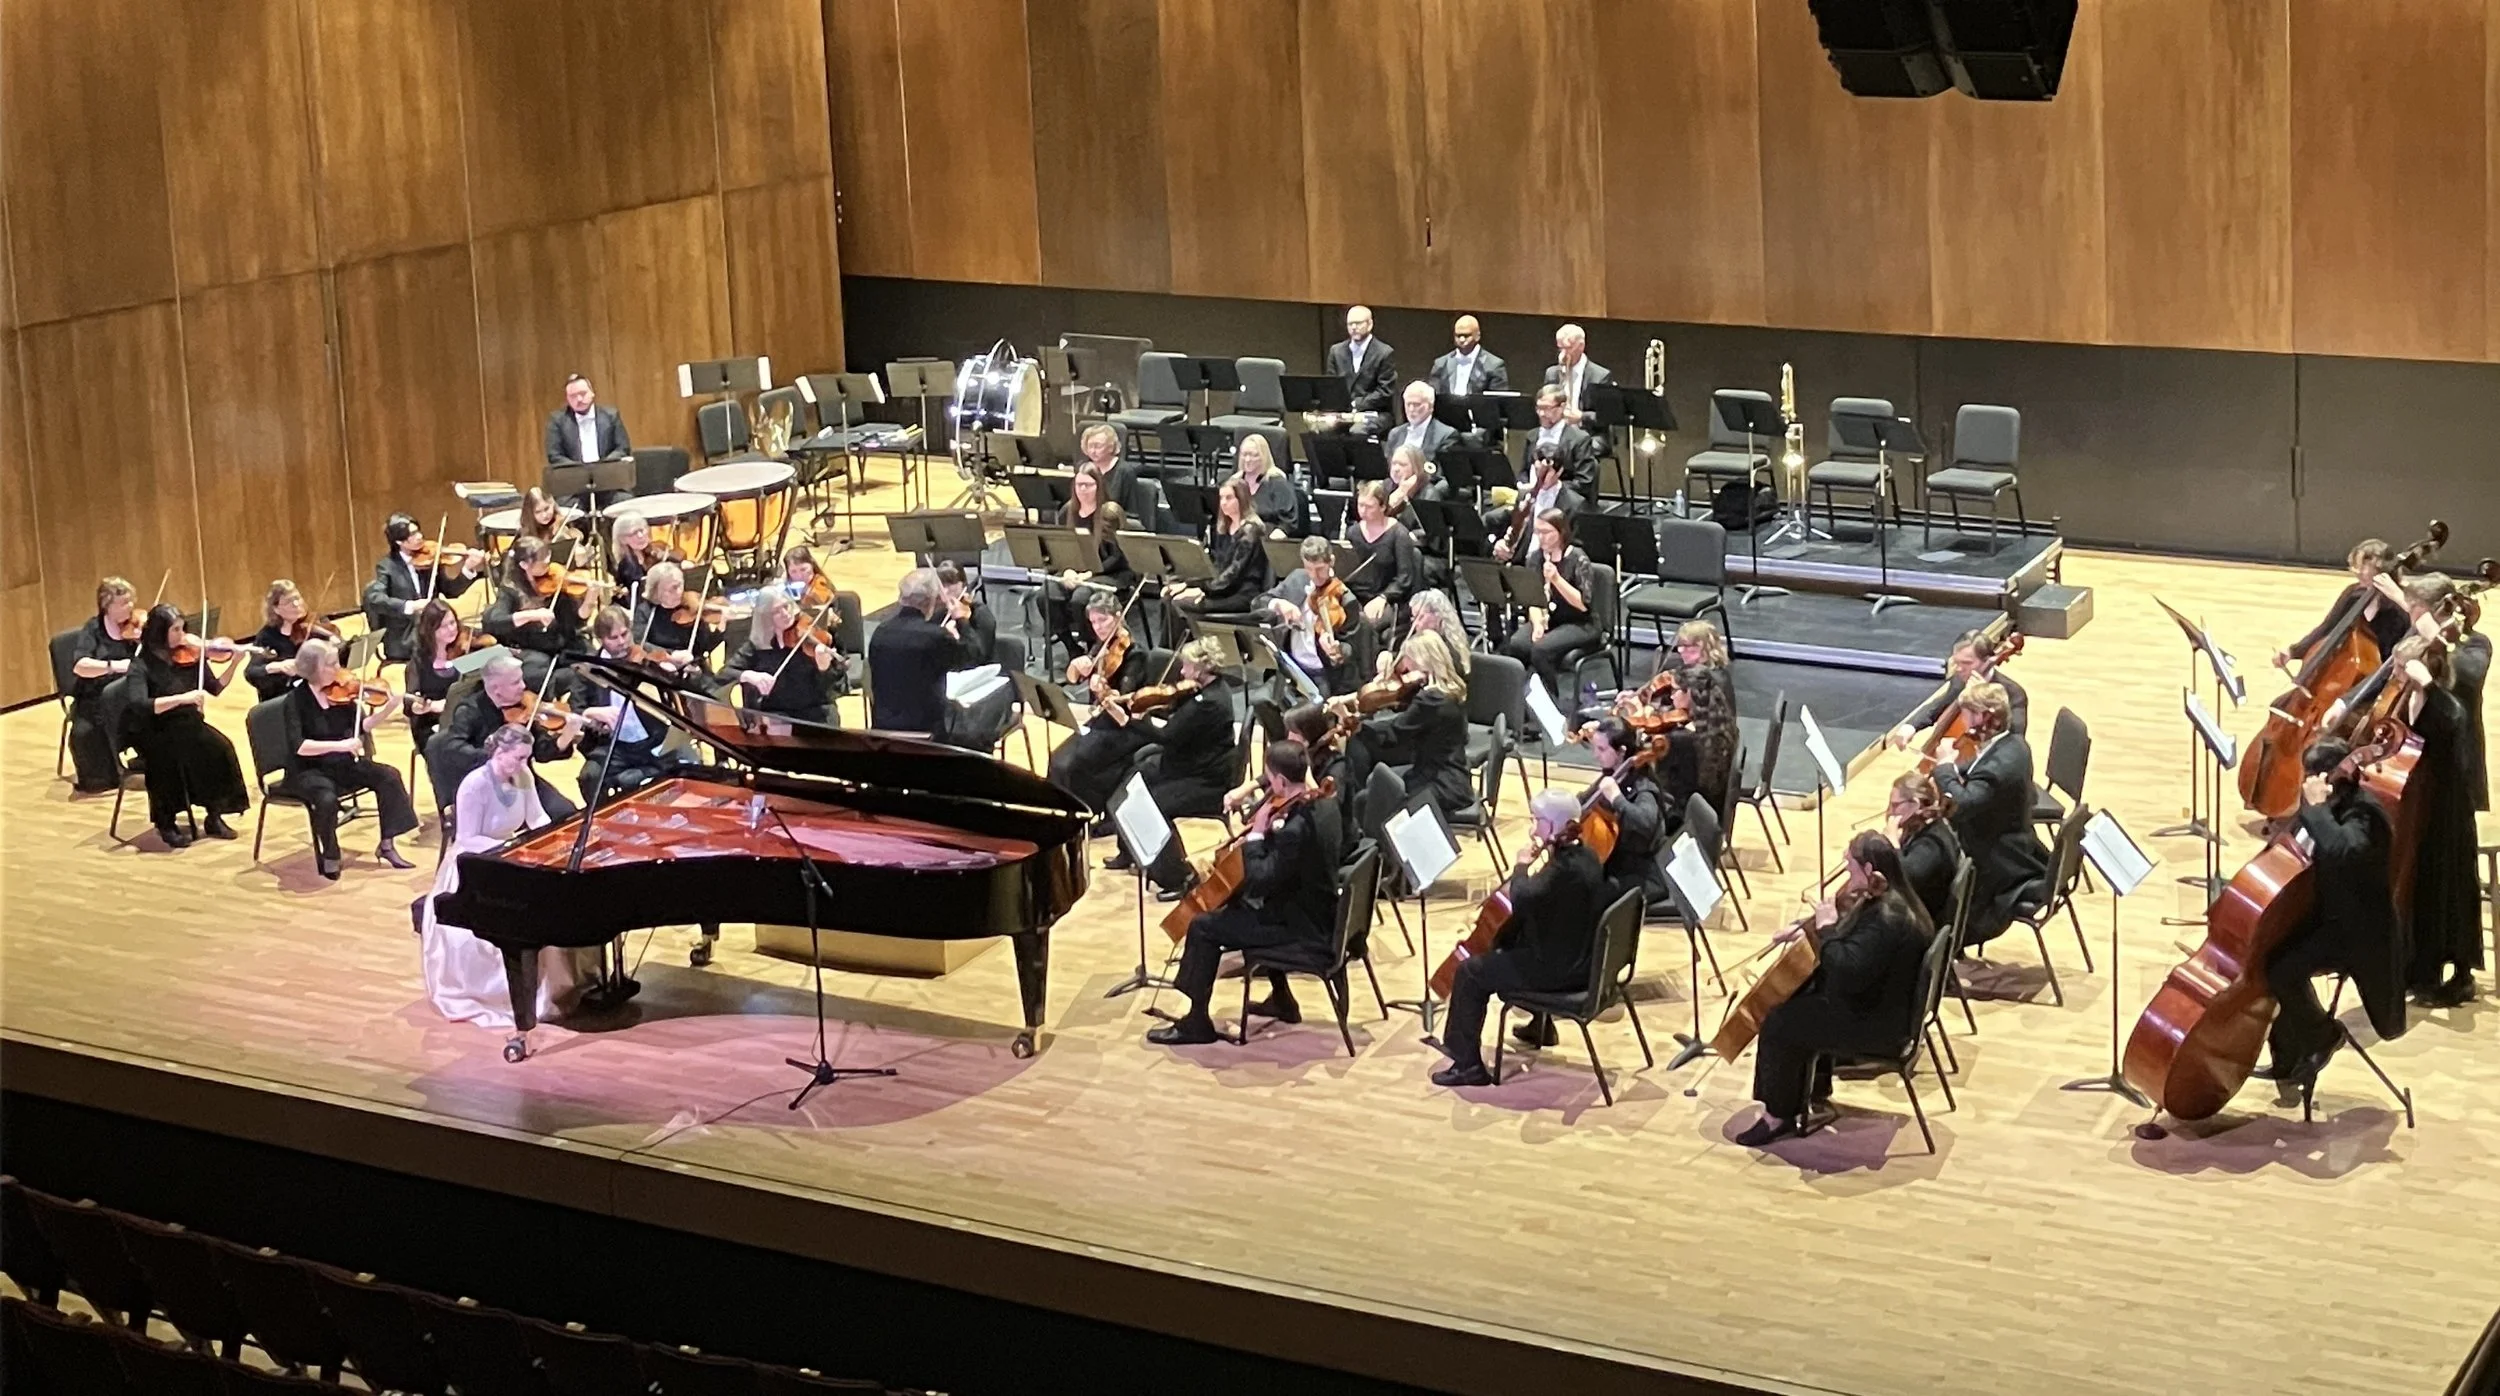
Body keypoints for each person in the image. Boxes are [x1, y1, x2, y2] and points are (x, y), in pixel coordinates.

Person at [1733, 830, 1935, 1146]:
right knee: (1808, 999)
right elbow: (1857, 942)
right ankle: (1813, 1089)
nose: (1847, 874)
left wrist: (1826, 927)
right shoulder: (1896, 898)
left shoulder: (1887, 918)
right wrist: (1809, 927)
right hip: (1889, 1007)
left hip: (1879, 1027)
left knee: (1780, 1022)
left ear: (1868, 869)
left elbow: (1845, 969)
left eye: (1851, 866)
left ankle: (1777, 1116)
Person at [1147, 741, 1346, 1045]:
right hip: (1319, 911)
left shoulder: (1294, 829)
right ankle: (1282, 1000)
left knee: (1203, 926)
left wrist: (1256, 836)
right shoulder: (1325, 806)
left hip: (1300, 929)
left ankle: (1195, 1023)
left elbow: (1260, 881)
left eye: (1271, 779)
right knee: (1239, 906)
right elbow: (1289, 867)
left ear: (1281, 781)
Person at [421, 724, 600, 1032]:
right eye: (518, 757)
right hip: (476, 863)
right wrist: (509, 848)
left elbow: (536, 817)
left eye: (526, 758)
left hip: (512, 855)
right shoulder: (474, 785)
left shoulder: (523, 775)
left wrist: (551, 840)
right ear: (499, 753)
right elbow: (468, 838)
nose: (523, 764)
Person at [1429, 789, 1611, 1088]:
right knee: (1516, 939)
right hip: (1582, 959)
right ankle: (1541, 1027)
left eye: (1537, 820)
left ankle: (1467, 1065)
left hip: (1559, 971)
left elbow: (1523, 897)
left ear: (1553, 825)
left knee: (1470, 972)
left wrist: (1521, 866)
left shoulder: (1564, 870)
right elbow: (1546, 902)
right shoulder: (1587, 855)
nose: (1533, 828)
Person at [2251, 738, 2405, 1088]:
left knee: (2283, 970)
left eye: (2311, 776)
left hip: (2360, 933)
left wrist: (2316, 809)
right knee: (2274, 955)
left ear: (2332, 777)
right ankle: (2288, 1058)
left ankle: (2323, 1035)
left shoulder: (2365, 814)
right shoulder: (2330, 802)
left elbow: (2341, 849)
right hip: (2330, 916)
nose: (2307, 784)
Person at [1106, 642, 1239, 901]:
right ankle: (1129, 850)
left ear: (1201, 669)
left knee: (1154, 805)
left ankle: (1180, 878)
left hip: (1205, 779)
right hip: (1187, 764)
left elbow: (1167, 736)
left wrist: (1132, 720)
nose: (1182, 672)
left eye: (1187, 666)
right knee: (1134, 777)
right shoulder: (1204, 691)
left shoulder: (1210, 703)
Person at [278, 639, 419, 879]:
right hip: (308, 770)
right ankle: (331, 854)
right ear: (313, 668)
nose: (338, 669)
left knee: (388, 776)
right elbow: (300, 746)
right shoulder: (295, 700)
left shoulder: (341, 692)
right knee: (326, 799)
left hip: (341, 765)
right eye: (331, 664)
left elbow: (363, 726)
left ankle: (387, 844)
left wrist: (387, 709)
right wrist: (341, 745)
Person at [1929, 680, 2049, 949]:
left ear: (1981, 717)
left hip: (1996, 860)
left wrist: (1945, 768)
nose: (1962, 720)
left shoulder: (1998, 767)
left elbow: (1962, 805)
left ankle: (1941, 944)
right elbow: (1978, 768)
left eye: (1966, 714)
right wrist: (1955, 772)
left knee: (1933, 875)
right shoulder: (2014, 743)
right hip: (2014, 841)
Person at [125, 605, 252, 846]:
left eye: (182, 629)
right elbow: (140, 705)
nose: (182, 635)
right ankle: (166, 822)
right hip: (157, 729)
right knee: (170, 761)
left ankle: (214, 815)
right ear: (160, 632)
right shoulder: (141, 665)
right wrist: (182, 699)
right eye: (175, 630)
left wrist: (234, 663)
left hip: (188, 723)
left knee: (220, 748)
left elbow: (215, 688)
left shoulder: (190, 656)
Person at [424, 650, 584, 822]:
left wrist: (566, 736)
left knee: (566, 814)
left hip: (522, 781)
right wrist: (498, 758)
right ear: (496, 689)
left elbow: (541, 751)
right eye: (515, 682)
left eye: (521, 679)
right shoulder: (469, 710)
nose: (523, 686)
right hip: (487, 786)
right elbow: (453, 748)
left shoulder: (523, 709)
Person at [865, 567, 1015, 750]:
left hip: (884, 730)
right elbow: (974, 655)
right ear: (931, 600)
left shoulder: (880, 632)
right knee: (1003, 693)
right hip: (929, 730)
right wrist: (962, 620)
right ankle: (977, 759)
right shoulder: (935, 637)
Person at [570, 606, 696, 804]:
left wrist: (679, 665)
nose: (622, 642)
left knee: (690, 765)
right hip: (615, 746)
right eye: (613, 638)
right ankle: (607, 816)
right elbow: (576, 710)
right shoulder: (589, 670)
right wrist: (593, 712)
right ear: (600, 640)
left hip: (654, 740)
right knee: (589, 777)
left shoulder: (646, 654)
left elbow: (680, 668)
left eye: (624, 634)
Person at [1047, 593, 1157, 816]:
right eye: (1093, 622)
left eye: (1103, 620)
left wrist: (1102, 691)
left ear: (1118, 617)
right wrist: (1076, 665)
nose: (1098, 627)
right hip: (1102, 719)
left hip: (1126, 726)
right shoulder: (1102, 644)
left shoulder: (1136, 654)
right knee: (1057, 759)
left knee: (1073, 765)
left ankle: (1085, 810)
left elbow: (1123, 704)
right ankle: (1060, 809)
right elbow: (1073, 678)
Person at [1343, 629, 1471, 820]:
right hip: (1453, 776)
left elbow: (1394, 734)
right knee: (1375, 795)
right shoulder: (1449, 690)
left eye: (1408, 658)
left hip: (1441, 784)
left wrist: (1360, 726)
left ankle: (1368, 833)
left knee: (1373, 803)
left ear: (1422, 661)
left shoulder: (1431, 700)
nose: (1405, 664)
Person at [1497, 509, 1601, 710]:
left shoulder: (1578, 559)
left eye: (1546, 532)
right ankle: (1519, 703)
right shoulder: (1535, 558)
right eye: (1538, 532)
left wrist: (1556, 579)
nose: (1541, 537)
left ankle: (1550, 704)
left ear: (1561, 532)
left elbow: (1583, 604)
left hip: (1580, 622)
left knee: (1541, 650)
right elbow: (1533, 599)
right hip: (1549, 619)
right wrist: (1537, 624)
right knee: (1517, 644)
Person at [361, 514, 487, 662]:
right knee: (458, 644)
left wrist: (468, 568)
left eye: (418, 531)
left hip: (433, 627)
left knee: (478, 638)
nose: (420, 536)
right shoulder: (387, 567)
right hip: (406, 636)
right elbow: (375, 599)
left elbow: (451, 591)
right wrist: (411, 606)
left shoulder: (429, 559)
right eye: (413, 534)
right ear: (399, 541)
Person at [2276, 538, 2411, 670]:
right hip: (2353, 670)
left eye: (2364, 566)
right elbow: (2327, 627)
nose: (2358, 572)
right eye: (2356, 566)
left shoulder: (2401, 603)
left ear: (2382, 568)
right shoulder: (2353, 594)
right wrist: (2293, 651)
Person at [1886, 629, 2029, 749]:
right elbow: (1938, 706)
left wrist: (1984, 699)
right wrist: (1910, 727)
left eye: (1966, 663)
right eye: (1956, 662)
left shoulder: (2013, 694)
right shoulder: (1959, 680)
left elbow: (2015, 739)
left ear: (1987, 660)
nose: (1959, 669)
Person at [1047, 471, 1134, 658]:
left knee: (1080, 598)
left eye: (1088, 485)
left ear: (1099, 487)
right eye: (1079, 485)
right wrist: (1067, 571)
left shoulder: (1110, 512)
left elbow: (1117, 556)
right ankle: (1071, 648)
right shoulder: (1067, 511)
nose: (1083, 489)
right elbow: (1061, 547)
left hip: (1110, 572)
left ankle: (1092, 648)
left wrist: (1089, 574)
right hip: (1076, 571)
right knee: (1046, 594)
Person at [482, 536, 591, 686]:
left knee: (591, 657)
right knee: (539, 671)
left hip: (559, 641)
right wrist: (532, 615)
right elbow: (495, 621)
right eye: (542, 560)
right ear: (524, 564)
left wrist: (590, 599)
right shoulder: (510, 589)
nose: (548, 562)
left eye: (548, 556)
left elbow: (576, 623)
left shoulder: (555, 582)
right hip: (532, 648)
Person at [66, 577, 141, 793]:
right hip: (95, 698)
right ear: (107, 605)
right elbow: (80, 666)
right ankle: (103, 774)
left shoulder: (135, 629)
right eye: (123, 603)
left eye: (131, 601)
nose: (130, 607)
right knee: (84, 734)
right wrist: (114, 666)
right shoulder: (93, 630)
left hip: (127, 695)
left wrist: (144, 643)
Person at [1265, 536, 1364, 700]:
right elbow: (1258, 602)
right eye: (1309, 568)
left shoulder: (1346, 600)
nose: (1314, 576)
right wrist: (1278, 604)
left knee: (1305, 714)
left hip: (1321, 674)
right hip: (1291, 666)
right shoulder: (1297, 578)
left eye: (1319, 569)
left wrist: (1336, 651)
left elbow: (1351, 647)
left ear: (1331, 561)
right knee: (1263, 703)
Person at [721, 590, 839, 726]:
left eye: (786, 606)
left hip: (815, 713)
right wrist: (749, 676)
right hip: (774, 716)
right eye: (776, 611)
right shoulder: (757, 646)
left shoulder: (810, 639)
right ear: (765, 617)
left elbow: (836, 687)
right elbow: (725, 673)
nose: (785, 613)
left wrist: (824, 669)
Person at [1166, 474, 1272, 620]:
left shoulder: (1251, 531)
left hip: (1241, 593)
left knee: (1179, 603)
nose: (1223, 503)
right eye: (1221, 498)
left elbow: (1233, 574)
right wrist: (1187, 584)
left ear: (1241, 500)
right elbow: (1215, 566)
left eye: (1229, 498)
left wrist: (1203, 590)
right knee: (1168, 597)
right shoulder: (1223, 528)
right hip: (1220, 588)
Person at [1889, 770, 1964, 933]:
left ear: (1915, 805)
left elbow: (1907, 877)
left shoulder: (1931, 844)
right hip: (1924, 912)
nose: (1890, 812)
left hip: (1920, 926)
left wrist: (1893, 843)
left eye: (1895, 805)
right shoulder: (1933, 827)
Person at [629, 561, 723, 690]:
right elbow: (639, 643)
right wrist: (671, 655)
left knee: (715, 691)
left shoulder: (691, 608)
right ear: (656, 592)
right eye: (672, 588)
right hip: (656, 672)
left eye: (680, 585)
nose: (679, 592)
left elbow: (704, 647)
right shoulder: (646, 611)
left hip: (692, 670)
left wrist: (721, 628)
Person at [1342, 481, 1421, 635]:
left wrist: (1383, 597)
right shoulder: (1353, 532)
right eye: (1360, 505)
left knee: (1365, 624)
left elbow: (1404, 578)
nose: (1363, 511)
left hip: (1387, 598)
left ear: (1383, 507)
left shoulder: (1399, 535)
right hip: (1356, 595)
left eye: (1369, 507)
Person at [1486, 436, 1586, 551]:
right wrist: (1501, 544)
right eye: (1538, 470)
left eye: (1548, 472)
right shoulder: (1524, 496)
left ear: (1560, 471)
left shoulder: (1575, 504)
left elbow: (1574, 545)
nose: (1543, 478)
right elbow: (1511, 530)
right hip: (1521, 557)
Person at [244, 579, 334, 702]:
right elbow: (252, 673)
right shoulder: (267, 637)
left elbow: (340, 656)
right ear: (276, 609)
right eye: (288, 602)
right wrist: (278, 666)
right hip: (285, 699)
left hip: (317, 694)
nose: (296, 604)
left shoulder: (317, 623)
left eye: (297, 598)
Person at [403, 599, 469, 758]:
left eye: (452, 622)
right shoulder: (419, 663)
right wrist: (425, 707)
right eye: (443, 626)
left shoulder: (466, 649)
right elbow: (410, 703)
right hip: (432, 725)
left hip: (465, 719)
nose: (451, 629)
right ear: (430, 630)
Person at [1324, 305, 1397, 432]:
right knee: (1322, 429)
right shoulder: (1336, 351)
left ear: (1370, 324)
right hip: (1344, 412)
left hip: (1376, 413)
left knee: (1357, 431)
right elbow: (1331, 385)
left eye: (1358, 323)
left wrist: (1355, 405)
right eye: (1350, 324)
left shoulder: (1384, 353)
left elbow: (1385, 391)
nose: (1353, 327)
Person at [543, 372, 630, 465]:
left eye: (583, 393)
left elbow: (623, 449)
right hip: (573, 472)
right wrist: (581, 469)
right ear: (567, 399)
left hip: (608, 470)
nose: (579, 399)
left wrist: (602, 466)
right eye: (573, 396)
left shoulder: (611, 416)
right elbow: (554, 455)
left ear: (592, 393)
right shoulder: (557, 421)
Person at [1543, 322, 1613, 429]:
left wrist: (1581, 417)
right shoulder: (1552, 373)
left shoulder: (1600, 376)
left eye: (1568, 348)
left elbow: (1606, 415)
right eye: (1560, 348)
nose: (1563, 354)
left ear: (1581, 346)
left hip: (1587, 432)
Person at [1235, 432, 1305, 536]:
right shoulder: (1234, 482)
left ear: (1264, 457)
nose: (1248, 459)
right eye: (1244, 455)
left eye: (1254, 455)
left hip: (1268, 537)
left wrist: (1276, 536)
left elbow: (1288, 523)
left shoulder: (1278, 484)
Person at [1429, 314, 1510, 400]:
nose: (1462, 340)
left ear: (1477, 336)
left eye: (1466, 336)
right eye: (1458, 336)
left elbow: (1499, 401)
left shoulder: (1494, 365)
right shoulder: (1441, 364)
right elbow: (1432, 398)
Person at [1380, 381, 1454, 471]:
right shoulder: (1395, 434)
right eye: (1408, 404)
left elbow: (1443, 476)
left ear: (1431, 406)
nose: (1411, 409)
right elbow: (1386, 470)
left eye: (1417, 405)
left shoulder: (1446, 435)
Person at [936, 560, 998, 663]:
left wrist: (962, 623)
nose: (945, 590)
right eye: (942, 584)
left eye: (950, 584)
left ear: (963, 584)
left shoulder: (980, 613)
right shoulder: (935, 611)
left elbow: (981, 655)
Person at [514, 485, 589, 564]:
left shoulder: (565, 522)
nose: (544, 515)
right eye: (538, 512)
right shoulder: (526, 530)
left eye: (546, 509)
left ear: (552, 503)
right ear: (530, 513)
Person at [606, 510, 670, 597]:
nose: (640, 536)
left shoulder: (648, 554)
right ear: (622, 539)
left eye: (642, 530)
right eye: (633, 533)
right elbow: (640, 593)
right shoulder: (627, 565)